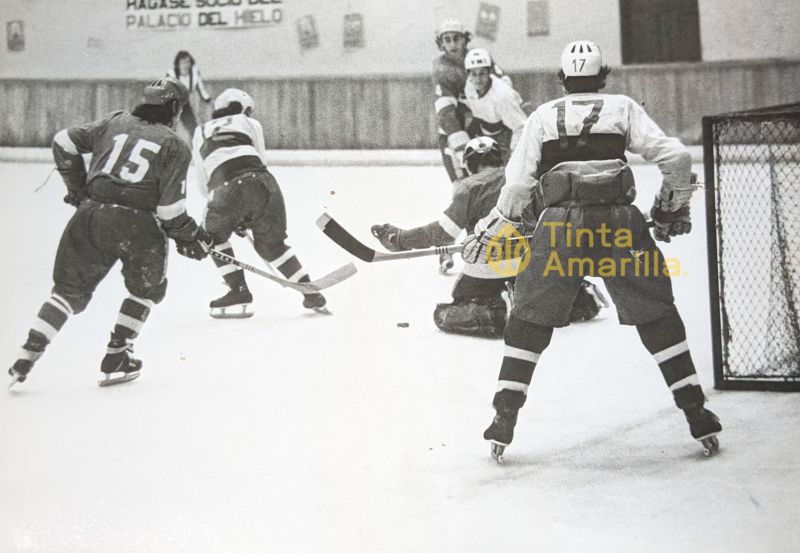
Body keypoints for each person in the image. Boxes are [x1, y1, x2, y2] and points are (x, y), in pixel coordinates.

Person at [463, 40, 721, 461]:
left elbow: (517, 186)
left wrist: (494, 228)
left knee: (528, 318)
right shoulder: (622, 107)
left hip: (561, 229)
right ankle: (697, 415)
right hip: (620, 225)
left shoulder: (544, 115)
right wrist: (671, 207)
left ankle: (503, 419)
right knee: (657, 315)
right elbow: (675, 157)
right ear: (603, 78)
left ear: (562, 80)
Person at [8, 76, 212, 387]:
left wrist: (77, 190)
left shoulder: (114, 121)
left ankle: (30, 350)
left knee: (66, 292)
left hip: (92, 214)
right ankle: (117, 355)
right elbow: (170, 212)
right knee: (146, 289)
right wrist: (191, 236)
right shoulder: (175, 146)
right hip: (139, 225)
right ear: (173, 107)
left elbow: (63, 141)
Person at [370, 136, 604, 338]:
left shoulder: (468, 187)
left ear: (469, 165)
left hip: (487, 268)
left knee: (444, 313)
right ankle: (578, 297)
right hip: (531, 266)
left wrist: (400, 238)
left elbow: (443, 233)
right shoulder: (523, 181)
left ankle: (496, 312)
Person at [191, 88, 327, 318]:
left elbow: (204, 185)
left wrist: (231, 214)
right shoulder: (249, 123)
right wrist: (248, 210)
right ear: (242, 108)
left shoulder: (200, 131)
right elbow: (260, 161)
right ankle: (309, 291)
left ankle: (238, 290)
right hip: (263, 183)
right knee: (272, 245)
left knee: (210, 237)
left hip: (224, 188)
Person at [463, 48, 529, 162]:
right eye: (474, 74)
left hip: (506, 131)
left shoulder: (502, 96)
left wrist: (514, 155)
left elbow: (521, 127)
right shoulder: (469, 84)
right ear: (468, 74)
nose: (478, 79)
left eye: (482, 73)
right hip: (483, 126)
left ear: (489, 73)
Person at [168, 50, 212, 142]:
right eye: (183, 62)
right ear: (178, 64)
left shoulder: (195, 74)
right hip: (170, 104)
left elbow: (201, 89)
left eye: (188, 62)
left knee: (193, 129)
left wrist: (209, 101)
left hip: (184, 104)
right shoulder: (171, 74)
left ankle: (196, 151)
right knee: (169, 129)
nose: (186, 65)